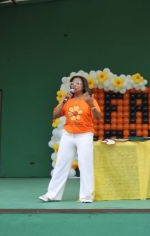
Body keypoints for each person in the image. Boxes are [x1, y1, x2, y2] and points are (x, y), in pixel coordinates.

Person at [39, 75, 101, 203]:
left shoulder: (90, 99)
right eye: (72, 83)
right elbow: (55, 115)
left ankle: (86, 196)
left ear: (83, 85)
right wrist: (63, 101)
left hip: (85, 135)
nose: (75, 85)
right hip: (68, 134)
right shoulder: (68, 100)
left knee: (85, 166)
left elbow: (98, 117)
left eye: (78, 83)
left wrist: (91, 105)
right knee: (61, 165)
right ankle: (52, 195)